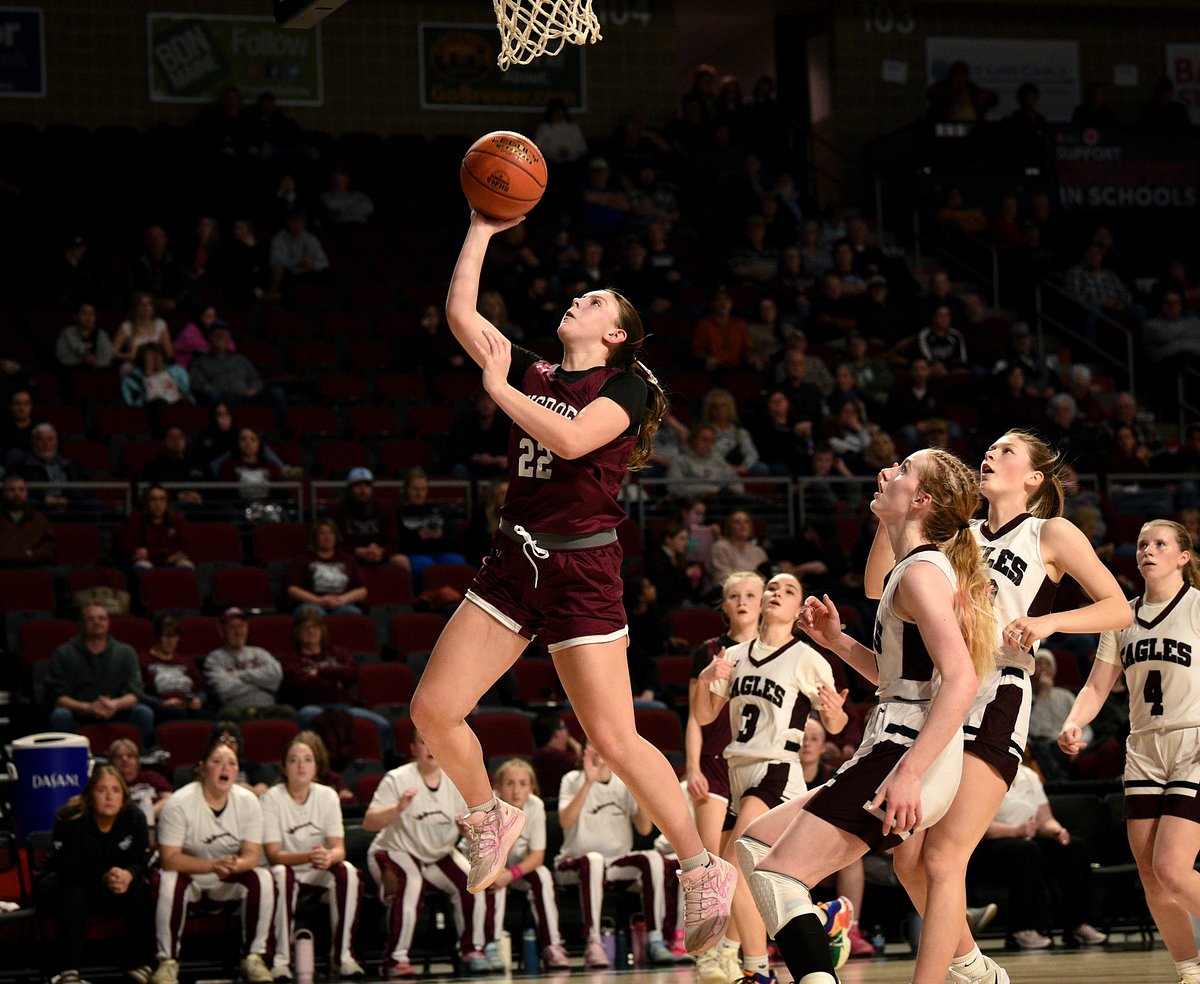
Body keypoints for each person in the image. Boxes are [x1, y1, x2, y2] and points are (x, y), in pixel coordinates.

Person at [408, 210, 736, 962]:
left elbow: (568, 438)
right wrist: (482, 226)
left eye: (594, 302)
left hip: (584, 570)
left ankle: (700, 864)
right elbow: (462, 312)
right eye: (579, 297)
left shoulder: (628, 389)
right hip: (514, 560)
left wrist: (495, 387)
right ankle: (488, 813)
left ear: (616, 333)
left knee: (615, 740)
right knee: (432, 710)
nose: (576, 304)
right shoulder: (534, 370)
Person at [865, 429, 1130, 984]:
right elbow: (876, 587)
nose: (990, 453)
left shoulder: (1049, 532)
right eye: (990, 447)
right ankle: (973, 966)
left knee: (942, 858)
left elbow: (1117, 610)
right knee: (909, 858)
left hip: (998, 690)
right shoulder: (956, 532)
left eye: (1007, 450)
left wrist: (1048, 621)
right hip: (938, 698)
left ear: (1034, 478)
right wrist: (888, 520)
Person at [733, 448, 995, 984]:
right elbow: (898, 680)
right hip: (895, 744)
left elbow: (962, 680)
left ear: (921, 500)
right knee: (754, 843)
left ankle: (819, 966)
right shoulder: (914, 569)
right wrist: (836, 641)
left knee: (781, 876)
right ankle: (977, 976)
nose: (886, 473)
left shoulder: (922, 573)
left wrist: (911, 772)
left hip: (906, 752)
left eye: (900, 471)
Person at [1059, 519, 1200, 983]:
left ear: (1183, 556)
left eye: (1161, 543)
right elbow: (1098, 684)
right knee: (1151, 875)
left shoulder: (1197, 607)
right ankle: (1189, 969)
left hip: (1192, 741)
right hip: (1143, 747)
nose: (1148, 550)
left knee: (1173, 867)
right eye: (1142, 544)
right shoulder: (1120, 616)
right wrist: (1075, 720)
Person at [694, 572, 850, 984]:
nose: (777, 593)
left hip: (776, 771)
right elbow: (705, 716)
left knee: (734, 868)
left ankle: (755, 969)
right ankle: (819, 918)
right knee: (759, 877)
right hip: (737, 774)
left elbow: (836, 725)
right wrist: (707, 682)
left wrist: (834, 710)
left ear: (799, 606)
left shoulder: (808, 657)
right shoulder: (736, 653)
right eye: (773, 588)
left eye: (789, 589)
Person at [686, 571, 764, 984]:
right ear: (725, 604)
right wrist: (693, 766)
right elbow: (695, 718)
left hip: (752, 768)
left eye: (751, 594)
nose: (743, 601)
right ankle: (709, 954)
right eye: (734, 595)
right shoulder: (709, 652)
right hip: (714, 765)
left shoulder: (776, 650)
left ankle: (731, 951)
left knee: (742, 868)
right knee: (714, 866)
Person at [152, 732, 275, 984]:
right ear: (202, 769)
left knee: (262, 877)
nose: (225, 768)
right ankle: (167, 961)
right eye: (217, 761)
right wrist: (212, 865)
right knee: (168, 880)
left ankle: (253, 957)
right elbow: (169, 858)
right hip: (191, 875)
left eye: (231, 763)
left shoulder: (249, 802)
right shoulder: (179, 803)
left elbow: (252, 854)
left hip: (227, 877)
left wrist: (236, 865)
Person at [364, 731, 489, 978]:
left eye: (434, 741)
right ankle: (395, 959)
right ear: (413, 749)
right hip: (395, 849)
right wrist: (398, 808)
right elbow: (369, 823)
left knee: (474, 879)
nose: (430, 747)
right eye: (423, 742)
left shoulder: (456, 779)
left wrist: (465, 831)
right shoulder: (396, 779)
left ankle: (472, 950)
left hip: (438, 853)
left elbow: (476, 831)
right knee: (412, 882)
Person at [556, 739, 685, 967]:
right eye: (592, 746)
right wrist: (588, 781)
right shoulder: (572, 779)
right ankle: (594, 941)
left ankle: (656, 938)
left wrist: (639, 788)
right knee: (594, 861)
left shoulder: (623, 783)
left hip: (615, 864)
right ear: (585, 751)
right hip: (574, 863)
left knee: (653, 859)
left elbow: (644, 828)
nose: (598, 752)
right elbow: (565, 821)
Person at [967, 749, 1107, 949]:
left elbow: (1045, 819)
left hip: (1027, 838)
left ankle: (1080, 924)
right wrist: (1015, 831)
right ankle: (1023, 929)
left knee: (1074, 847)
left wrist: (1057, 831)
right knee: (1025, 851)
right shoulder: (981, 774)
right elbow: (976, 825)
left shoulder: (1029, 775)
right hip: (989, 844)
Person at [262, 732, 366, 981]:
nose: (301, 765)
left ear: (316, 766)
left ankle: (343, 957)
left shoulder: (327, 795)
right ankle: (281, 960)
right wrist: (309, 856)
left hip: (316, 866)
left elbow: (339, 849)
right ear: (284, 767)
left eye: (308, 759)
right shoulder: (271, 798)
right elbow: (274, 854)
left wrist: (329, 857)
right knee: (279, 874)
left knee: (348, 872)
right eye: (294, 760)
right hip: (285, 868)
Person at [36, 764, 153, 984]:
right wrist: (104, 876)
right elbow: (68, 866)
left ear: (124, 796)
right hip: (64, 882)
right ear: (90, 795)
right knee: (75, 890)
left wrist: (128, 874)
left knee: (139, 886)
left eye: (116, 790)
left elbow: (140, 859)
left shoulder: (134, 817)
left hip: (112, 885)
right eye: (102, 790)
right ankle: (66, 971)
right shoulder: (69, 817)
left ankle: (140, 965)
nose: (109, 796)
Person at [485, 758, 570, 969]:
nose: (516, 791)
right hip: (488, 866)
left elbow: (537, 856)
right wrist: (501, 874)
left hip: (515, 870)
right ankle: (492, 945)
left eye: (523, 784)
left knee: (542, 874)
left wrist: (510, 874)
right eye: (509, 783)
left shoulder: (536, 805)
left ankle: (553, 945)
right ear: (499, 786)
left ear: (532, 787)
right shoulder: (490, 806)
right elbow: (489, 855)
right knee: (495, 880)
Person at [46, 605, 156, 748]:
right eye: (91, 619)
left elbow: (134, 693)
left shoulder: (126, 652)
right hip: (79, 712)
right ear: (81, 623)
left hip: (116, 710)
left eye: (101, 618)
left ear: (109, 622)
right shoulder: (64, 653)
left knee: (143, 713)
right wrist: (89, 707)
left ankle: (143, 758)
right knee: (60, 716)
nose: (97, 622)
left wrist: (115, 704)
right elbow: (58, 697)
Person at [283, 608, 391, 750]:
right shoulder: (291, 659)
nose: (311, 632)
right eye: (306, 628)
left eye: (315, 627)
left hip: (344, 707)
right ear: (297, 632)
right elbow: (298, 682)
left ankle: (379, 759)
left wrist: (318, 672)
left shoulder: (337, 653)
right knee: (308, 716)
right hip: (312, 707)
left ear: (322, 630)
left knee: (382, 724)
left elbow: (352, 673)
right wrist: (335, 680)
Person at [203, 607, 295, 722]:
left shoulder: (260, 652)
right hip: (236, 709)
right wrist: (262, 683)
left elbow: (276, 677)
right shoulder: (214, 658)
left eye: (241, 626)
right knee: (228, 715)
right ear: (222, 630)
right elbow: (223, 690)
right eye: (232, 627)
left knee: (288, 712)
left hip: (267, 707)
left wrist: (239, 675)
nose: (238, 632)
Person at [394, 468, 467, 584]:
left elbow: (454, 536)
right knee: (426, 565)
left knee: (457, 561)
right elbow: (399, 541)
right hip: (416, 554)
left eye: (423, 489)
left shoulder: (439, 511)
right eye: (415, 489)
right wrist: (419, 536)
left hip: (441, 552)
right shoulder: (399, 513)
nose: (419, 494)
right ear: (406, 490)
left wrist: (440, 534)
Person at [327, 467, 408, 568]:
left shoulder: (384, 510)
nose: (363, 490)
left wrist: (381, 551)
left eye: (367, 485)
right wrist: (358, 551)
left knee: (401, 561)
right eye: (358, 485)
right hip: (350, 556)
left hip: (378, 555)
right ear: (349, 488)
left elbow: (394, 543)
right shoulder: (338, 511)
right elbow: (333, 544)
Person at [285, 518, 369, 615]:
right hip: (311, 603)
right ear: (314, 537)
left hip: (341, 603)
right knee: (316, 614)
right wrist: (318, 601)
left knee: (352, 613)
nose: (327, 537)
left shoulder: (347, 560)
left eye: (330, 533)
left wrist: (342, 600)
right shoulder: (303, 559)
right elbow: (292, 589)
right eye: (322, 534)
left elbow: (362, 591)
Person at [140, 613, 208, 723]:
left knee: (209, 717)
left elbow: (202, 688)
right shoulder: (144, 660)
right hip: (163, 708)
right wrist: (161, 703)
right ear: (157, 637)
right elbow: (137, 692)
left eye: (174, 636)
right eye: (166, 636)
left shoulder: (186, 661)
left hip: (188, 706)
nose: (171, 641)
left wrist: (199, 699)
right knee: (176, 714)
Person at [117, 484, 194, 572]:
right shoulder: (135, 520)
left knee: (187, 566)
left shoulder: (177, 519)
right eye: (153, 500)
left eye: (162, 499)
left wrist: (150, 553)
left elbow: (185, 549)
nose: (158, 504)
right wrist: (168, 555)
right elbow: (132, 552)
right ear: (146, 502)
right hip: (148, 562)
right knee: (142, 567)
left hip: (168, 561)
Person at [107, 736, 174, 826]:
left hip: (158, 824)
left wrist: (149, 814)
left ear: (137, 760)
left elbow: (170, 798)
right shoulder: (109, 783)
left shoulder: (150, 776)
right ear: (112, 762)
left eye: (130, 756)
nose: (125, 759)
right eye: (119, 757)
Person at [0, 472, 57, 567]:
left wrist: (33, 555)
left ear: (27, 493)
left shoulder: (39, 519)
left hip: (33, 567)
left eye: (21, 490)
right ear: (3, 493)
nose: (17, 493)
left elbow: (50, 547)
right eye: (11, 490)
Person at [708, 513, 769, 596]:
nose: (742, 526)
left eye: (746, 522)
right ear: (729, 527)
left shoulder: (759, 551)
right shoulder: (720, 547)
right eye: (737, 522)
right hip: (727, 594)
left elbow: (766, 577)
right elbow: (722, 578)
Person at [113, 291, 175, 369]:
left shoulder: (160, 324)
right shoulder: (127, 327)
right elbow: (113, 352)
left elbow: (169, 353)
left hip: (157, 365)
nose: (147, 308)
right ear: (136, 308)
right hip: (133, 365)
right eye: (142, 305)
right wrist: (130, 356)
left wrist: (155, 356)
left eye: (149, 304)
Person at [55, 301, 114, 369]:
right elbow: (62, 358)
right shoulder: (67, 333)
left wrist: (95, 362)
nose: (89, 317)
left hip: (97, 374)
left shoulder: (101, 335)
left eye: (92, 313)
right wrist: (83, 360)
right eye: (84, 313)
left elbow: (106, 359)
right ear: (75, 316)